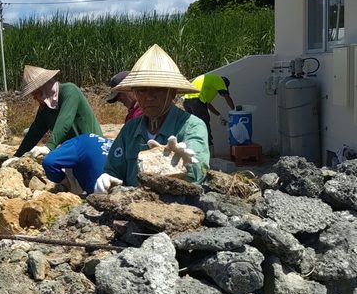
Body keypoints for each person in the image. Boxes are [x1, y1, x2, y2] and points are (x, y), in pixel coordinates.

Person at [95, 44, 210, 193]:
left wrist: (186, 165)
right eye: (142, 90)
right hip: (132, 207)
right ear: (135, 93)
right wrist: (108, 181)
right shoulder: (130, 129)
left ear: (173, 93)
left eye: (158, 90)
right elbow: (114, 170)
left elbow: (199, 169)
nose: (149, 97)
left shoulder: (191, 126)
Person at [13, 65, 102, 159]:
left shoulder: (69, 91)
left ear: (44, 88)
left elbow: (64, 120)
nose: (34, 98)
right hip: (74, 151)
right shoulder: (45, 108)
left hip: (93, 147)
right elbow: (35, 132)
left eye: (36, 93)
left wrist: (49, 147)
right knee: (50, 164)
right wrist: (17, 156)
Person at [42, 133, 114, 195]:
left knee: (70, 163)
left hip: (100, 194)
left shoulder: (77, 143)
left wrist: (63, 181)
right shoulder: (113, 142)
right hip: (122, 191)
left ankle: (71, 187)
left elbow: (49, 162)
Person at [183, 74, 235, 146]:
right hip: (196, 101)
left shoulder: (209, 82)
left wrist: (219, 115)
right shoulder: (220, 80)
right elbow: (226, 96)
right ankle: (208, 149)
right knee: (204, 125)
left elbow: (207, 104)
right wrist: (234, 110)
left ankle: (194, 148)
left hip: (187, 101)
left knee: (193, 126)